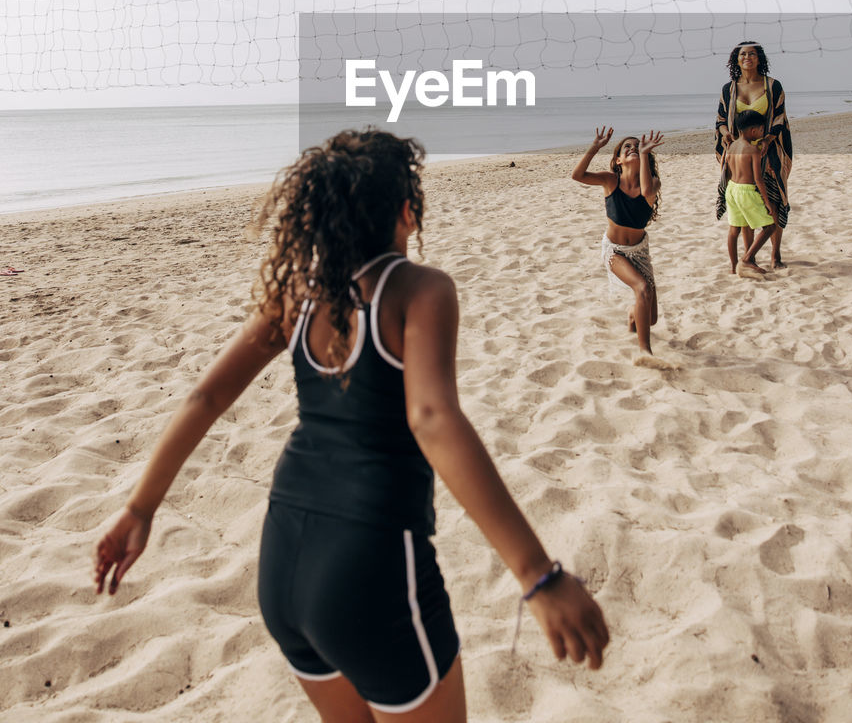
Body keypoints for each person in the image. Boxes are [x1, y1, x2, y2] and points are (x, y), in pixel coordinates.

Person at [93, 128, 608, 722]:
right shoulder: (419, 289)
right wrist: (536, 576)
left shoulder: (296, 293)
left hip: (283, 562)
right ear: (407, 211)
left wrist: (139, 508)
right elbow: (432, 417)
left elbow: (205, 396)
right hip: (371, 566)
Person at [571, 128, 663, 356]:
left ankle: (633, 317)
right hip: (615, 251)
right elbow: (577, 176)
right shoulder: (610, 181)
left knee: (650, 319)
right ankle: (646, 353)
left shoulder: (652, 182)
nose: (633, 148)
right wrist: (595, 147)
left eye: (637, 146)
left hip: (640, 252)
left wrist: (643, 154)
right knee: (641, 289)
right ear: (618, 160)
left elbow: (647, 191)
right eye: (627, 148)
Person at [715, 41, 792, 268]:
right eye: (743, 54)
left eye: (752, 53)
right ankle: (751, 257)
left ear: (759, 58)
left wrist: (768, 139)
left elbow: (780, 117)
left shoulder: (772, 86)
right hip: (740, 153)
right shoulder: (728, 89)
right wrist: (726, 133)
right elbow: (720, 119)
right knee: (745, 206)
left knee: (775, 202)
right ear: (736, 59)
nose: (747, 57)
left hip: (771, 150)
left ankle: (775, 256)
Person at [722, 109, 779, 279]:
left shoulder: (731, 146)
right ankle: (746, 260)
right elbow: (758, 179)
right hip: (746, 191)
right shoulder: (752, 150)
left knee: (734, 230)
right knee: (770, 226)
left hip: (731, 189)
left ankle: (733, 267)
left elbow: (726, 169)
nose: (762, 134)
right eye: (762, 130)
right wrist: (767, 202)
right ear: (754, 130)